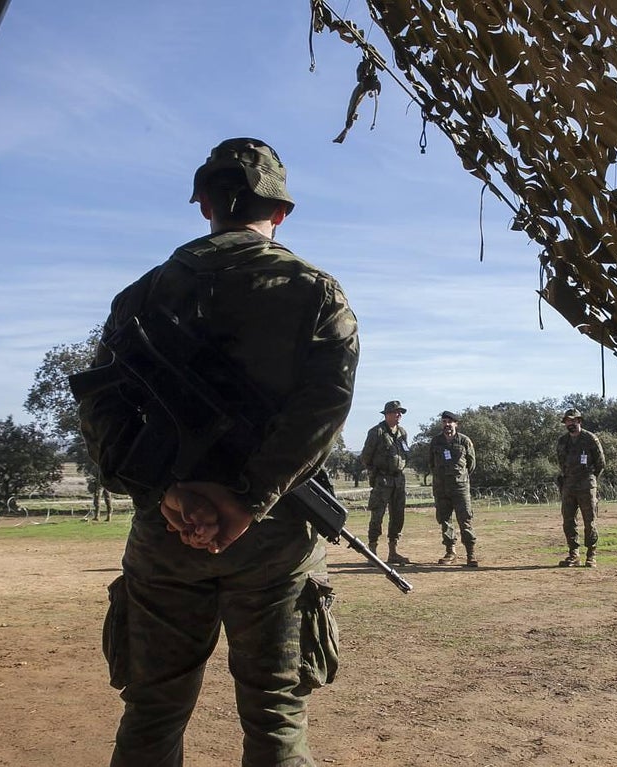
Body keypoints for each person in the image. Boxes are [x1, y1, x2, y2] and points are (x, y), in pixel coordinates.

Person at [76, 137, 359, 767]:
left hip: (167, 529)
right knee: (276, 714)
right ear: (280, 211)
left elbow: (102, 408)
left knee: (151, 710)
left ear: (203, 204)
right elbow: (324, 409)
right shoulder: (314, 291)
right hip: (273, 535)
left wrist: (166, 493)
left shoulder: (138, 297)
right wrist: (248, 501)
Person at [360, 400, 411, 565]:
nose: (399, 415)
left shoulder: (402, 432)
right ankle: (372, 551)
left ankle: (393, 552)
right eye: (396, 412)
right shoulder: (376, 432)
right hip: (382, 479)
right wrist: (374, 472)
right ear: (387, 414)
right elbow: (366, 456)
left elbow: (406, 453)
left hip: (399, 480)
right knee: (377, 515)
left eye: (400, 412)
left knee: (398, 516)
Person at [555, 408, 604, 567]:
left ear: (579, 421)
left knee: (589, 521)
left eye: (573, 420)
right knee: (568, 520)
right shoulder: (562, 441)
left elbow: (600, 463)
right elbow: (561, 462)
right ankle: (573, 554)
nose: (571, 424)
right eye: (568, 421)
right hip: (569, 484)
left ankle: (591, 554)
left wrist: (590, 478)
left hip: (586, 484)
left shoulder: (590, 439)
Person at [429, 410, 478, 567]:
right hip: (441, 487)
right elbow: (431, 463)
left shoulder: (464, 441)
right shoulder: (435, 442)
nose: (447, 425)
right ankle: (450, 552)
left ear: (456, 423)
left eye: (450, 422)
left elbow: (471, 464)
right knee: (445, 521)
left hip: (460, 487)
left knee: (465, 519)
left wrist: (459, 476)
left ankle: (471, 554)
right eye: (444, 422)